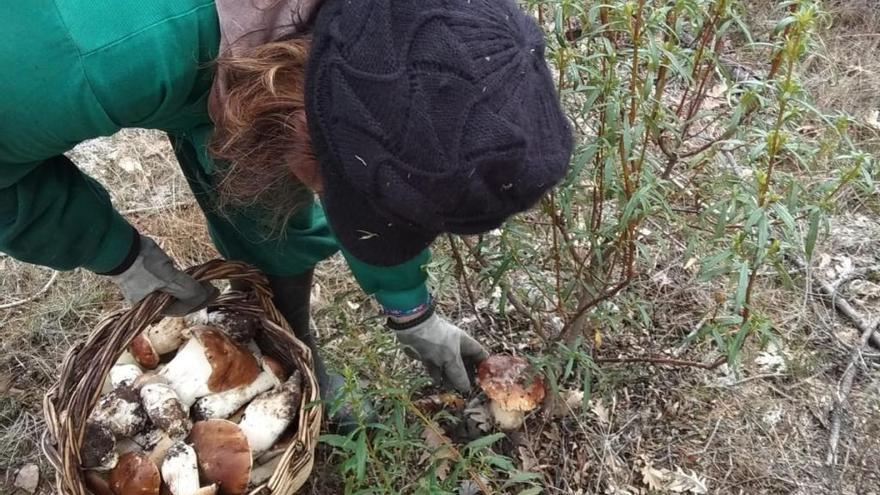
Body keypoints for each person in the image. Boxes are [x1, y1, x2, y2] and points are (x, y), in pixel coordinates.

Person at [0, 0, 572, 426]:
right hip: (93, 47)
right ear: (305, 108)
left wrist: (412, 310)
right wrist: (117, 253)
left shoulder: (404, 29)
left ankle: (284, 351)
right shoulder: (88, 56)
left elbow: (392, 166)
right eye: (336, 177)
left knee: (265, 188)